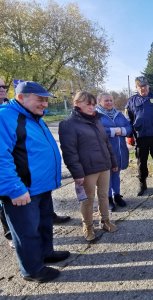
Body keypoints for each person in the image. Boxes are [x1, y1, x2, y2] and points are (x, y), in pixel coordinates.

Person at [0, 81, 70, 283]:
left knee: (44, 224)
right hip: (22, 191)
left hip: (40, 187)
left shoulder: (33, 117)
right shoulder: (5, 116)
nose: (45, 104)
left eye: (46, 99)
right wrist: (14, 189)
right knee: (26, 232)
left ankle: (46, 253)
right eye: (40, 99)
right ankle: (32, 270)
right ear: (21, 97)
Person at [59, 91, 118, 242]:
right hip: (87, 170)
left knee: (104, 195)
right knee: (87, 200)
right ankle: (88, 226)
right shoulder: (68, 124)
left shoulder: (97, 120)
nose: (92, 107)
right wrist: (77, 173)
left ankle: (105, 221)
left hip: (104, 166)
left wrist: (113, 162)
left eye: (93, 104)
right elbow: (69, 152)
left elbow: (106, 143)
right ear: (77, 104)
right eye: (88, 104)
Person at [125, 76, 153, 196]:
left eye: (145, 86)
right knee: (141, 162)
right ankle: (142, 185)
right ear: (136, 87)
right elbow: (128, 120)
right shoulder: (131, 101)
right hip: (140, 137)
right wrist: (129, 135)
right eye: (140, 86)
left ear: (148, 86)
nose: (143, 88)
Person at [96, 92, 132, 211]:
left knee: (116, 174)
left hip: (120, 151)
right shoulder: (96, 115)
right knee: (107, 176)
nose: (110, 102)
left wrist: (121, 130)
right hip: (105, 152)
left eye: (111, 100)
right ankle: (108, 198)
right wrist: (112, 131)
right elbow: (97, 131)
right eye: (106, 100)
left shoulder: (119, 114)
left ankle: (117, 195)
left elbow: (129, 128)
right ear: (99, 102)